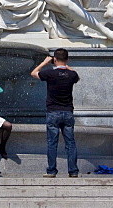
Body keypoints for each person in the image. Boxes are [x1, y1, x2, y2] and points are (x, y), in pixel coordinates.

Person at [31, 48, 80, 177]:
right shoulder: (72, 75)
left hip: (53, 112)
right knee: (70, 143)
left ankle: (52, 171)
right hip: (68, 112)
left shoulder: (49, 74)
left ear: (55, 59)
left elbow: (34, 73)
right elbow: (77, 76)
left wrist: (44, 62)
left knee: (52, 143)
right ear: (67, 59)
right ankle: (73, 171)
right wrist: (66, 67)